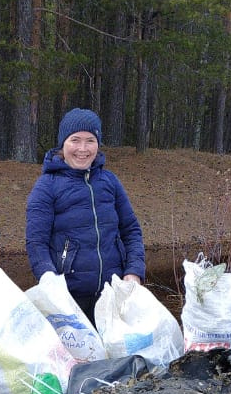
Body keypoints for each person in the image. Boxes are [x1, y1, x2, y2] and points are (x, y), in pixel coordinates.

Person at [25, 108, 146, 324]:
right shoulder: (46, 186)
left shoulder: (110, 182)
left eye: (90, 140)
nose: (82, 149)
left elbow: (131, 231)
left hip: (113, 296)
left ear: (98, 144)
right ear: (63, 143)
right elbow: (36, 242)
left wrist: (134, 270)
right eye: (75, 140)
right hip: (69, 301)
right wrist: (48, 279)